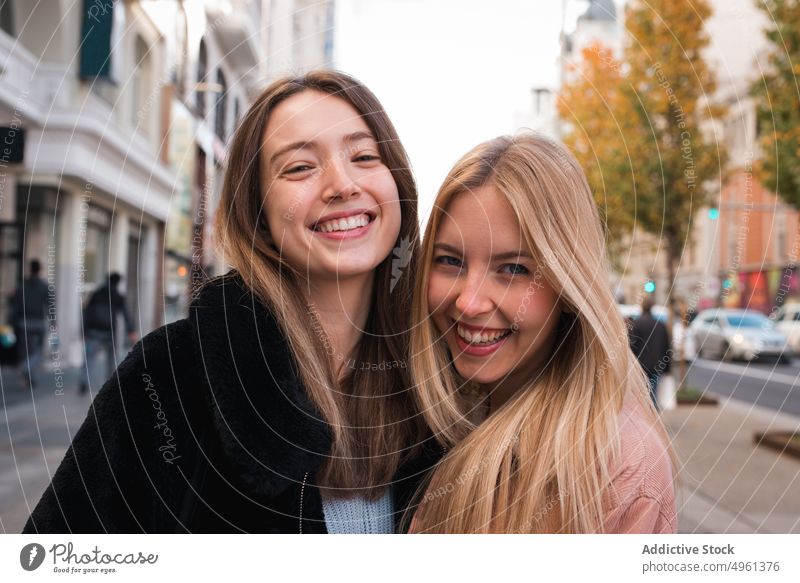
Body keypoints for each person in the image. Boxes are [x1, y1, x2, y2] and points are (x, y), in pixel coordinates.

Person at [23, 70, 438, 534]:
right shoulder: (168, 374)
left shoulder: (441, 382)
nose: (342, 184)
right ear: (256, 214)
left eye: (364, 156)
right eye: (300, 167)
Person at [408, 133, 676, 533]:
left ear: (569, 288)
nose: (469, 302)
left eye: (514, 269)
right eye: (450, 260)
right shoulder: (428, 425)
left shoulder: (617, 468)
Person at [79, 272, 138, 395]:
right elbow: (125, 315)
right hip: (109, 332)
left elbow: (87, 312)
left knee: (89, 359)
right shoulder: (117, 296)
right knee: (111, 359)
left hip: (93, 331)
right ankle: (110, 385)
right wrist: (131, 331)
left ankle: (84, 381)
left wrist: (84, 330)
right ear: (118, 283)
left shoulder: (96, 293)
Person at [9, 260, 49, 389]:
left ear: (30, 270)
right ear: (39, 270)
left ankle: (29, 377)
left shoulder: (21, 286)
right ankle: (27, 370)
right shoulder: (44, 285)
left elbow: (14, 305)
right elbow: (50, 305)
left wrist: (11, 322)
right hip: (38, 322)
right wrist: (54, 322)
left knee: (27, 351)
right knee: (38, 352)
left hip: (24, 323)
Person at [629, 298, 672, 410]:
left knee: (640, 394)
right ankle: (652, 417)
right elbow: (666, 346)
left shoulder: (636, 324)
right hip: (656, 365)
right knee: (653, 394)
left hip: (640, 365)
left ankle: (642, 417)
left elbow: (632, 346)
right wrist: (667, 368)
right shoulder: (660, 325)